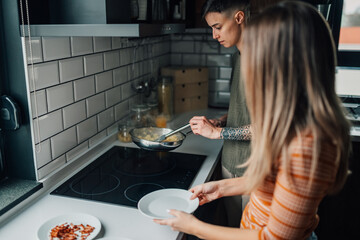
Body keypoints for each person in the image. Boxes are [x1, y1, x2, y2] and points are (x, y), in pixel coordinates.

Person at [154, 1, 351, 239]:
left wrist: (194, 228)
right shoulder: (292, 122)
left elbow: (272, 238)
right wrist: (221, 188)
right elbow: (273, 183)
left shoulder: (307, 144)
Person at [189, 0, 252, 227]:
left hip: (253, 170)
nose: (214, 35)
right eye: (211, 29)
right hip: (230, 164)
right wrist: (222, 121)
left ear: (238, 18)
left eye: (218, 27)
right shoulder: (237, 55)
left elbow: (268, 128)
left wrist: (217, 133)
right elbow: (242, 108)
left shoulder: (264, 60)